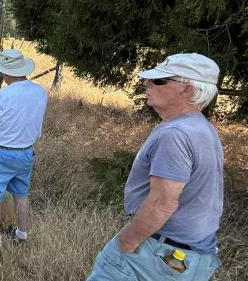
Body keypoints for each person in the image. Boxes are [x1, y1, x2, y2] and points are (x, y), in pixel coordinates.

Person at [88, 53, 223, 280]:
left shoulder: (175, 134)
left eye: (159, 80)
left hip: (158, 252)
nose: (147, 83)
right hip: (193, 255)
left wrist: (126, 242)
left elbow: (162, 203)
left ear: (187, 90)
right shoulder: (202, 128)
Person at [0, 49, 47, 254]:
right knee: (21, 194)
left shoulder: (0, 95)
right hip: (26, 152)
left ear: (5, 73)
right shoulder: (40, 91)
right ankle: (22, 235)